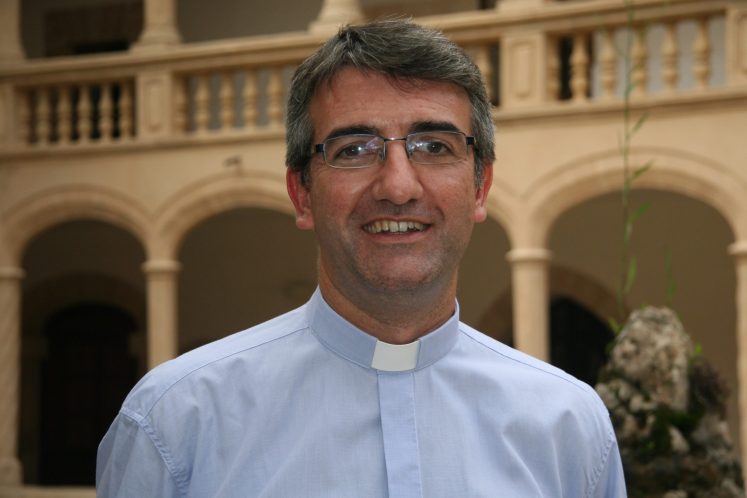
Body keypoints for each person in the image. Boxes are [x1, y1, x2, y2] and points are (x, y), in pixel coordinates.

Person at [96, 19, 627, 497]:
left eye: (434, 146)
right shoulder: (176, 424)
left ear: (480, 186)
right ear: (302, 193)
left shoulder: (567, 426)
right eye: (353, 150)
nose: (398, 187)